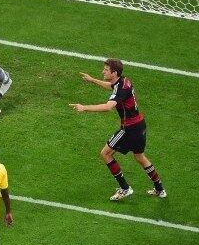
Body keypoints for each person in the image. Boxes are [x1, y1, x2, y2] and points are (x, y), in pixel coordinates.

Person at [69, 59, 166, 201]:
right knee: (140, 157)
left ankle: (125, 189)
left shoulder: (121, 88)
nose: (103, 71)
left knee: (105, 153)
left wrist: (84, 108)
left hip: (129, 129)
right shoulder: (124, 81)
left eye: (106, 70)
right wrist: (92, 80)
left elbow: (108, 107)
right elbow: (111, 86)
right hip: (140, 125)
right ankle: (160, 189)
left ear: (114, 73)